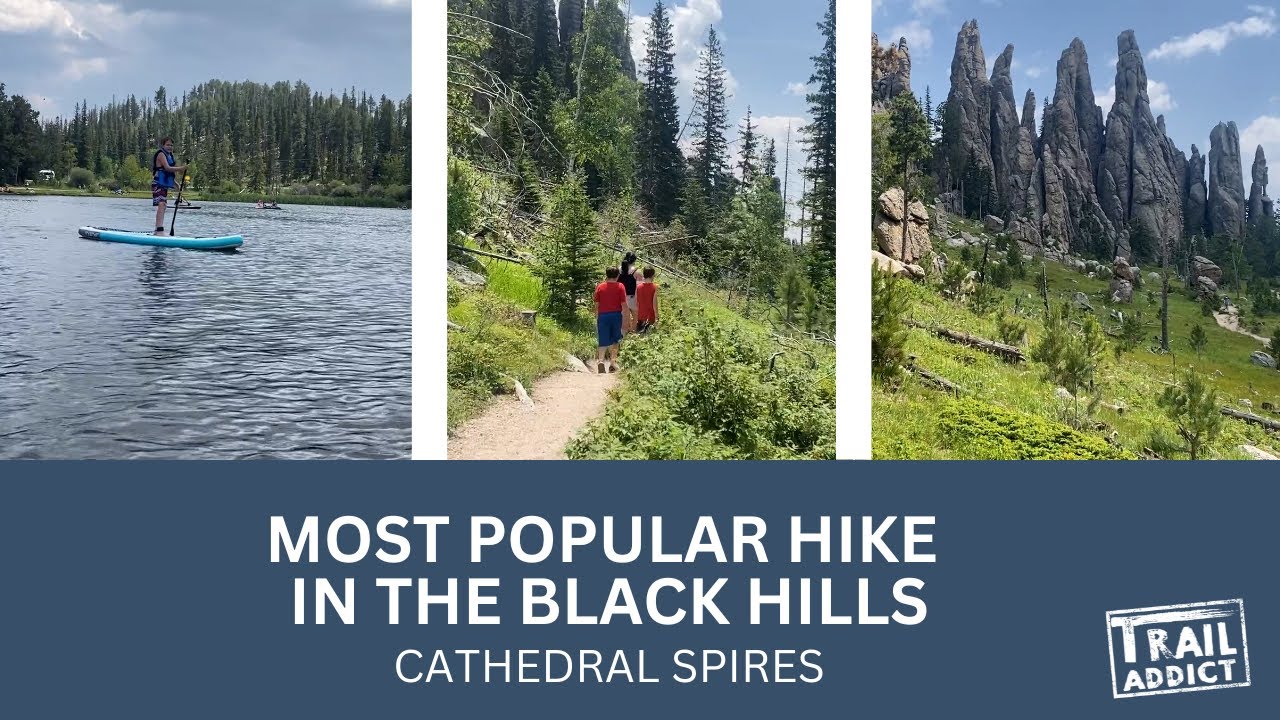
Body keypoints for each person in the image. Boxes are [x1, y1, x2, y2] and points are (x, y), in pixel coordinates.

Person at [594, 266, 627, 373]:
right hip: (616, 316)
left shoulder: (600, 286)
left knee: (603, 340)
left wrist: (597, 316)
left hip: (603, 315)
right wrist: (627, 318)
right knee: (615, 340)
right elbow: (624, 304)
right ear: (617, 275)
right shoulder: (620, 286)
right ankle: (612, 363)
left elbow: (596, 304)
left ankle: (601, 361)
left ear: (606, 275)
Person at [151, 137, 186, 235]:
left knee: (163, 205)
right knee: (162, 205)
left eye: (171, 145)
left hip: (163, 184)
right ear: (163, 145)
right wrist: (181, 168)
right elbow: (167, 168)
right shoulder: (161, 154)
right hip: (157, 183)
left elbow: (167, 174)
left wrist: (176, 184)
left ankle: (157, 230)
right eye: (167, 145)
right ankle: (159, 230)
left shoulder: (169, 155)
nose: (170, 147)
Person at [619, 251, 639, 334]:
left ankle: (624, 332)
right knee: (635, 316)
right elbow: (638, 287)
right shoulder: (636, 271)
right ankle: (633, 331)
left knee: (624, 317)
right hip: (632, 297)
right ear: (634, 260)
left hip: (621, 297)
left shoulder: (619, 269)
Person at [636, 267, 659, 333]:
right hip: (650, 315)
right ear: (652, 275)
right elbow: (655, 304)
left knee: (639, 334)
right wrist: (657, 316)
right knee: (648, 335)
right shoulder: (654, 287)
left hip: (640, 314)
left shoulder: (638, 287)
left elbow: (637, 302)